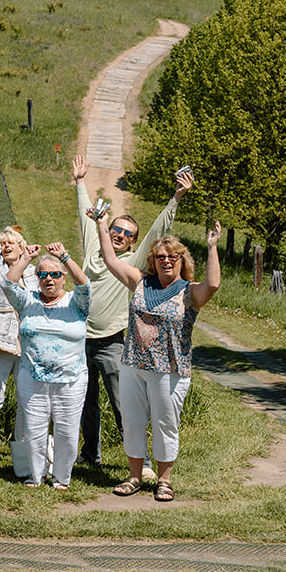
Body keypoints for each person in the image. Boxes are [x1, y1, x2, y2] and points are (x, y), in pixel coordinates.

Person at [74, 159, 193, 468]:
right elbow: (87, 218)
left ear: (133, 241)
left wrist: (176, 199)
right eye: (116, 229)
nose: (120, 235)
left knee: (123, 405)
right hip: (80, 339)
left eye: (127, 233)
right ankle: (91, 455)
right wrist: (79, 183)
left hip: (112, 342)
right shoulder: (93, 250)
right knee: (86, 404)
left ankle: (142, 464)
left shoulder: (132, 265)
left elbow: (159, 228)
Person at [98, 217, 221, 501]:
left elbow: (212, 285)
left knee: (165, 423)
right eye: (160, 257)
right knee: (133, 420)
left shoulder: (190, 292)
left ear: (181, 260)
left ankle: (164, 480)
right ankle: (134, 476)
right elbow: (110, 260)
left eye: (172, 257)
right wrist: (103, 226)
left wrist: (212, 246)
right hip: (132, 365)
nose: (166, 261)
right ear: (153, 260)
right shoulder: (140, 282)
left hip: (170, 370)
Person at [0, 241, 91, 488]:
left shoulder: (76, 302)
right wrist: (25, 259)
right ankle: (36, 475)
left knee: (67, 432)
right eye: (43, 275)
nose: (49, 279)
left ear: (63, 278)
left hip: (70, 379)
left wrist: (65, 257)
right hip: (32, 377)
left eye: (55, 274)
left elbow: (84, 282)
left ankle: (62, 477)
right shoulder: (27, 301)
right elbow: (7, 283)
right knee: (34, 430)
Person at [0, 169, 37, 468]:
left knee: (27, 400)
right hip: (0, 339)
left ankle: (21, 449)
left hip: (26, 342)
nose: (5, 246)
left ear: (22, 245)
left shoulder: (35, 273)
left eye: (10, 242)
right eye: (3, 244)